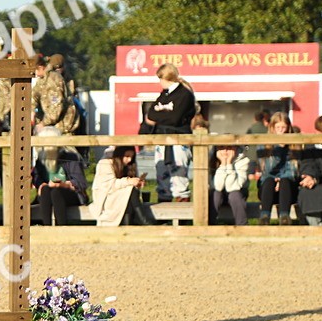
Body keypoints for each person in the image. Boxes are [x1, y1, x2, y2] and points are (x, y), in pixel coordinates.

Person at [141, 63, 196, 202]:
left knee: (179, 179)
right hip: (162, 140)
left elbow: (175, 118)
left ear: (166, 77)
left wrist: (162, 114)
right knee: (162, 178)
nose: (160, 82)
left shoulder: (184, 94)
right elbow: (151, 114)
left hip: (179, 141)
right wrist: (165, 114)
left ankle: (181, 219)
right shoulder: (164, 94)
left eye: (160, 78)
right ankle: (164, 220)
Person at [90, 145, 153, 226]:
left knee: (129, 194)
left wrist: (137, 183)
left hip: (121, 197)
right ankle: (143, 221)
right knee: (130, 192)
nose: (129, 159)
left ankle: (137, 222)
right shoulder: (105, 163)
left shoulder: (129, 165)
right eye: (127, 156)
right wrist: (129, 181)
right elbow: (109, 185)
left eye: (131, 156)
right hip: (106, 197)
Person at [256, 111, 298, 225]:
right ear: (272, 128)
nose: (281, 130)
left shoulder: (295, 145)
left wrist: (280, 180)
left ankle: (284, 217)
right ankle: (264, 217)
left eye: (283, 127)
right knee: (269, 181)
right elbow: (266, 170)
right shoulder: (263, 145)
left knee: (285, 181)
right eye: (278, 127)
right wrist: (278, 147)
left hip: (288, 187)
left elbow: (293, 171)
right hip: (268, 187)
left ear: (288, 127)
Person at [33, 146, 89, 226]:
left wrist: (63, 184)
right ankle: (46, 228)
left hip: (70, 193)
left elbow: (81, 182)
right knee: (45, 189)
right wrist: (41, 184)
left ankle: (61, 228)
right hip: (47, 193)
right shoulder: (42, 158)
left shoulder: (70, 156)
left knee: (56, 192)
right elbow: (36, 176)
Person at [209, 144, 251, 226]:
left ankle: (242, 225)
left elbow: (234, 187)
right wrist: (223, 164)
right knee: (216, 194)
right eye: (221, 147)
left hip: (238, 193)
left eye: (229, 147)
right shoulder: (212, 161)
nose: (225, 151)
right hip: (220, 193)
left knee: (234, 195)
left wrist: (228, 164)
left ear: (236, 148)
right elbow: (217, 186)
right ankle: (209, 224)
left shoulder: (244, 161)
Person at [297, 114, 322, 226]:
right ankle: (317, 230)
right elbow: (308, 163)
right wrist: (310, 176)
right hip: (318, 183)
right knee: (307, 193)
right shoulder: (311, 146)